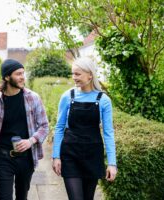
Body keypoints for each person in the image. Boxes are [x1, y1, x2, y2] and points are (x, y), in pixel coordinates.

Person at [52, 57, 117, 200]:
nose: (74, 77)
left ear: (90, 75)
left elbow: (108, 133)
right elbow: (59, 127)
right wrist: (56, 156)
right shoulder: (67, 96)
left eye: (77, 74)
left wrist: (112, 164)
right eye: (73, 74)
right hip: (70, 154)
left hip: (92, 155)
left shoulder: (103, 100)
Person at [0, 59, 49, 200]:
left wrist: (31, 141)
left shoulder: (33, 98)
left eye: (23, 74)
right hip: (3, 158)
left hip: (26, 158)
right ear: (7, 77)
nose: (22, 77)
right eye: (18, 74)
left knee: (21, 196)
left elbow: (44, 126)